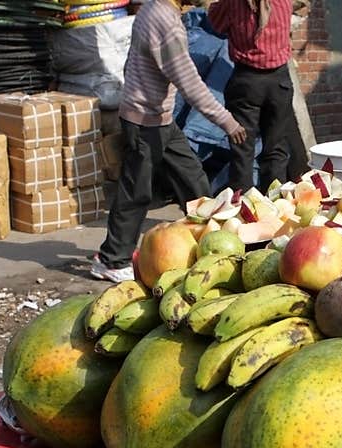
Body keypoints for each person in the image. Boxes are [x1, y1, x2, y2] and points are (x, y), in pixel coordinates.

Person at [91, 0, 247, 283]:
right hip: (145, 120)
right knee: (136, 191)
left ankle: (206, 248)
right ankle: (111, 259)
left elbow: (135, 63)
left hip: (160, 119)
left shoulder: (152, 8)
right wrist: (227, 122)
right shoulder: (164, 20)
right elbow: (189, 82)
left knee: (194, 181)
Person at [207, 0, 294, 192]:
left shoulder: (232, 4)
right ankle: (276, 208)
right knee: (276, 150)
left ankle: (243, 210)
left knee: (242, 152)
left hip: (246, 82)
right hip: (279, 82)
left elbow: (215, 22)